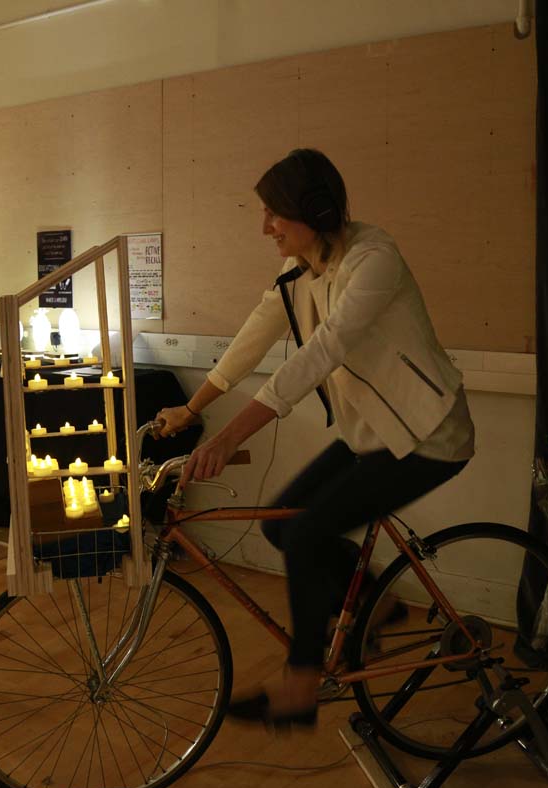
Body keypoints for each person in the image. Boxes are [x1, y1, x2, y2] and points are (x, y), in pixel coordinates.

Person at [154, 149, 476, 727]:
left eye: (274, 213)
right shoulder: (299, 269)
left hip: (428, 437)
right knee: (282, 523)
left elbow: (323, 350)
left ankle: (301, 685)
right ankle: (379, 603)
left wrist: (227, 438)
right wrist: (192, 406)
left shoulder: (373, 261)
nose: (265, 227)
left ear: (316, 211)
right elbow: (255, 335)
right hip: (369, 437)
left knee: (305, 535)